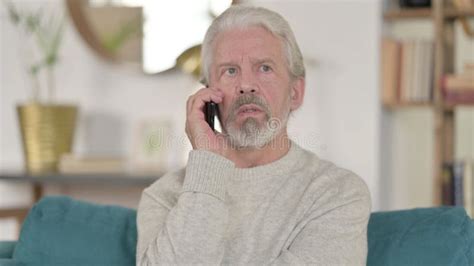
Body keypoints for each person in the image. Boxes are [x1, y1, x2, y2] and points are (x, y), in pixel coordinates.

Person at [136, 5, 371, 265]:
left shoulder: (337, 193)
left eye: (265, 68)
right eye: (230, 71)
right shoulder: (164, 196)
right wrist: (206, 164)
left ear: (295, 92)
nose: (246, 85)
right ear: (207, 97)